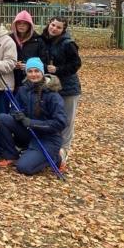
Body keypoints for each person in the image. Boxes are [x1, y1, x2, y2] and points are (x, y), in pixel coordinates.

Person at [0, 58, 67, 175]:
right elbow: (14, 109)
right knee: (2, 118)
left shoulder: (52, 94)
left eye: (36, 71)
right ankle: (11, 155)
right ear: (26, 73)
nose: (33, 74)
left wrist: (32, 123)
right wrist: (18, 115)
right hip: (28, 132)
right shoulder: (23, 90)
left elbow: (60, 123)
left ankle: (56, 156)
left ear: (42, 72)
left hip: (48, 138)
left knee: (23, 167)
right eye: (30, 71)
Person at [41, 16, 81, 169]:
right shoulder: (44, 40)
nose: (54, 29)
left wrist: (58, 69)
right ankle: (51, 148)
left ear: (63, 29)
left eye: (58, 27)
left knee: (66, 120)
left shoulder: (68, 44)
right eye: (53, 25)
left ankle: (63, 151)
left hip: (68, 88)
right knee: (51, 116)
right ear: (49, 24)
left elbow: (76, 64)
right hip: (50, 86)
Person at [9, 11, 46, 92]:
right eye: (19, 23)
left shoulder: (38, 40)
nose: (21, 25)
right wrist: (13, 64)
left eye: (24, 23)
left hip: (32, 79)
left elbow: (43, 60)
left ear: (30, 25)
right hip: (12, 78)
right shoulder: (9, 39)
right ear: (15, 24)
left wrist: (30, 65)